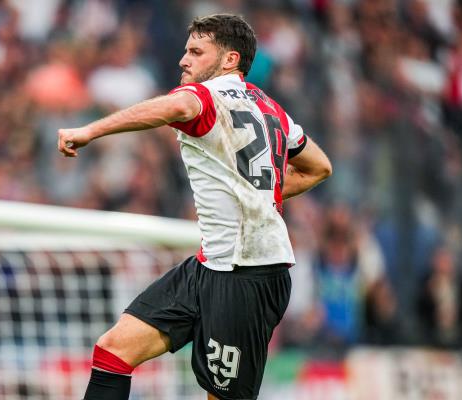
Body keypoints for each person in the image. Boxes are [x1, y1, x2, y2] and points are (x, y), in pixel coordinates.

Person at [58, 14, 332, 400]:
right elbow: (320, 167)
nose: (183, 60)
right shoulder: (270, 108)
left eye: (196, 51)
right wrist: (261, 194)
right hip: (211, 264)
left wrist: (89, 131)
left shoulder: (206, 96)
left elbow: (175, 108)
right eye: (186, 50)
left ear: (229, 60)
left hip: (248, 274)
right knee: (115, 349)